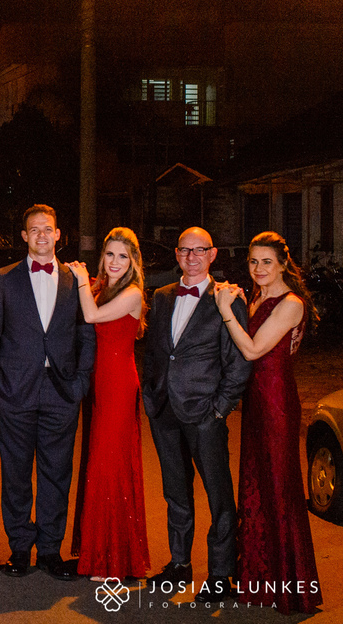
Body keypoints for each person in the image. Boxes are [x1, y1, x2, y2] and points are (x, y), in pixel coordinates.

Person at [0, 204, 95, 581]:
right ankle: (18, 549)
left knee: (56, 474)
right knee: (15, 474)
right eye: (34, 229)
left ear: (58, 234)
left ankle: (49, 550)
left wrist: (80, 381)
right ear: (24, 236)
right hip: (15, 391)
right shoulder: (3, 279)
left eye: (48, 229)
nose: (42, 235)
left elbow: (86, 332)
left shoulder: (76, 280)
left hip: (62, 391)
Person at [141, 226, 250, 604]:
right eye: (185, 250)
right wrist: (150, 393)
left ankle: (220, 574)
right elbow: (155, 352)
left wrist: (220, 409)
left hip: (205, 414)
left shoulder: (227, 299)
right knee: (175, 492)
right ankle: (179, 564)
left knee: (219, 496)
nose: (192, 257)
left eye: (199, 250)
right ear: (176, 254)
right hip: (164, 410)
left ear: (212, 254)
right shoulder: (160, 297)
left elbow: (238, 364)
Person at [215, 231, 322, 613]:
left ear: (282, 264)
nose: (258, 269)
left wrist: (226, 310)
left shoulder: (290, 303)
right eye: (253, 262)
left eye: (266, 262)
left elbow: (253, 349)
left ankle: (291, 589)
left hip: (277, 403)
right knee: (256, 485)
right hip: (257, 403)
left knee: (279, 489)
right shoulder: (258, 296)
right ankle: (260, 583)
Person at [65, 227, 150, 582]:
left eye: (122, 256)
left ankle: (112, 558)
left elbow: (91, 317)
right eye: (110, 254)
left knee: (109, 463)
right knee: (98, 462)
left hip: (118, 384)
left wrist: (81, 280)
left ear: (133, 262)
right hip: (98, 382)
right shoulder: (103, 287)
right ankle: (99, 550)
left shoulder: (132, 293)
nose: (115, 261)